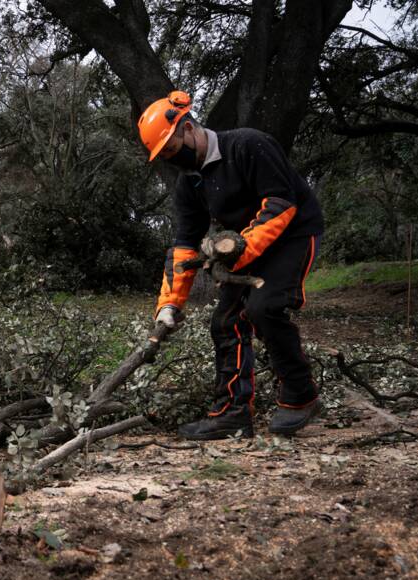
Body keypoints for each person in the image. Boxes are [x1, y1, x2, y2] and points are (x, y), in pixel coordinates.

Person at [138, 90, 324, 440]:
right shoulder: (189, 183)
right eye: (164, 156)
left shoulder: (249, 145)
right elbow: (183, 245)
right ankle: (232, 413)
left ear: (189, 128)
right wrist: (169, 304)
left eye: (173, 149)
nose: (173, 159)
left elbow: (280, 204)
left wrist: (237, 255)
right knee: (225, 321)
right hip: (243, 247)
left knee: (264, 308)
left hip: (294, 233)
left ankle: (300, 394)